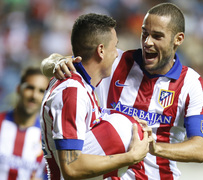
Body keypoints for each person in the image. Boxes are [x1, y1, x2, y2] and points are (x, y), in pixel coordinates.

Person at [41, 2, 203, 179]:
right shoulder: (114, 62)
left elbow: (200, 149)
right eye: (144, 33)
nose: (147, 42)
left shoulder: (191, 84)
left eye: (157, 36)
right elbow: (51, 63)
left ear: (178, 39)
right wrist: (57, 63)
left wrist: (155, 147)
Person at [40, 13, 152, 180]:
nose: (116, 54)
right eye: (115, 47)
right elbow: (71, 167)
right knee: (123, 126)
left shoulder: (80, 82)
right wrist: (131, 157)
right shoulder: (72, 91)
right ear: (101, 50)